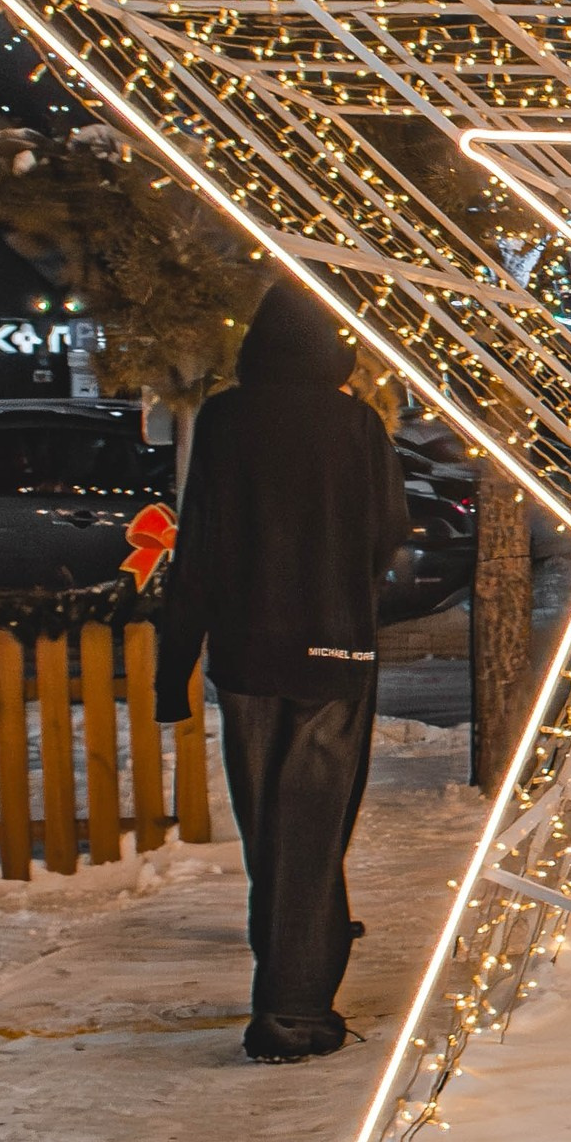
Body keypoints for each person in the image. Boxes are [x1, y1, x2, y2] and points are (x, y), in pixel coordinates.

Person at [154, 282, 412, 1063]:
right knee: (314, 826)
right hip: (336, 651)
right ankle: (296, 1004)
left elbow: (197, 548)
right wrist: (349, 585)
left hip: (247, 654)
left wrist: (174, 668)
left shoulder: (225, 421)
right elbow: (390, 532)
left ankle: (292, 975)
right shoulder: (357, 425)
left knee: (268, 825)